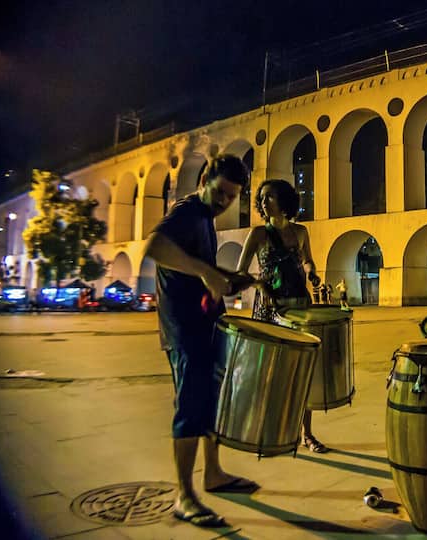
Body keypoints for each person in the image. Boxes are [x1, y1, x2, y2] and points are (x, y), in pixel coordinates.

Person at [143, 154, 257, 528]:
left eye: (233, 196)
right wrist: (208, 272)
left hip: (207, 324)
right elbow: (156, 247)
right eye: (221, 191)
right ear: (205, 179)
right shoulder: (188, 211)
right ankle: (183, 495)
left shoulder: (206, 220)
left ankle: (214, 474)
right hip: (184, 328)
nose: (226, 201)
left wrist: (233, 279)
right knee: (190, 408)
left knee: (212, 403)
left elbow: (202, 272)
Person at [235, 179, 328, 453]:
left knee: (304, 370)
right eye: (261, 198)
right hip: (269, 309)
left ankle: (306, 434)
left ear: (284, 200)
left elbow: (307, 259)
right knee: (270, 373)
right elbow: (241, 272)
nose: (264, 202)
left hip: (299, 304)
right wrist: (258, 284)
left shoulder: (300, 232)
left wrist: (312, 271)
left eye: (270, 196)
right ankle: (269, 431)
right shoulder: (258, 234)